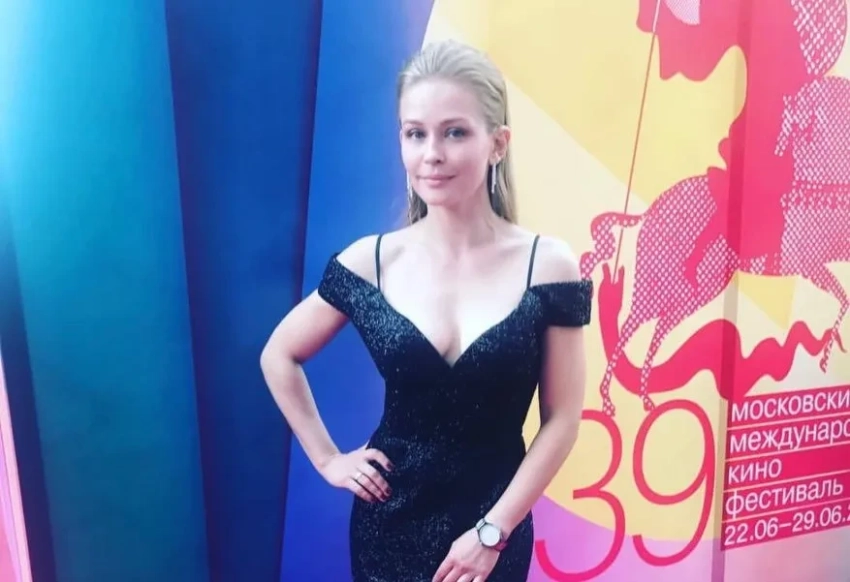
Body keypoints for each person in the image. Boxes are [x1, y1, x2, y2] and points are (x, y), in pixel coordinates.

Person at [260, 39, 591, 582]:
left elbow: (562, 421)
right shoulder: (370, 262)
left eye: (454, 132)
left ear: (498, 144)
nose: (431, 153)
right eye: (415, 134)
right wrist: (328, 459)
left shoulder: (548, 266)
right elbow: (279, 354)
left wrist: (493, 532)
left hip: (494, 533)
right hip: (387, 528)